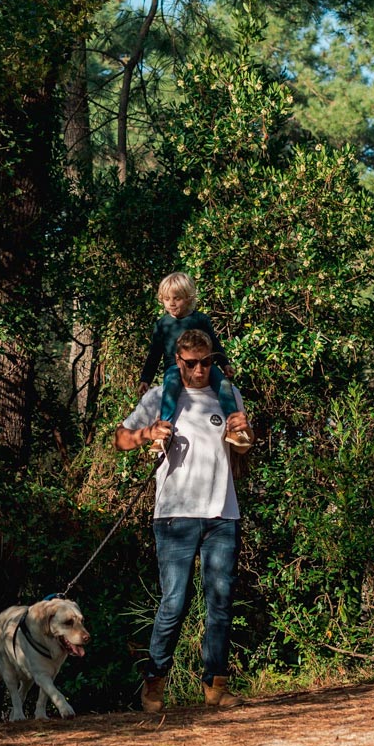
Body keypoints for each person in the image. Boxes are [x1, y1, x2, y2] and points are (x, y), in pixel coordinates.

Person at [115, 327, 252, 710]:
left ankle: (216, 687)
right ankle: (154, 683)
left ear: (212, 360)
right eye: (190, 363)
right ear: (178, 361)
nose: (198, 370)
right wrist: (147, 433)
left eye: (205, 362)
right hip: (174, 516)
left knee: (220, 602)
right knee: (174, 601)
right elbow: (119, 438)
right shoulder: (160, 397)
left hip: (222, 514)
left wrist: (244, 431)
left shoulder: (227, 395)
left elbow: (242, 445)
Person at [139, 272, 251, 457]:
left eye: (177, 298)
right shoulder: (162, 324)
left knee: (224, 385)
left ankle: (233, 428)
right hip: (175, 367)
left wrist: (225, 364)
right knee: (171, 387)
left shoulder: (200, 320)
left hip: (204, 364)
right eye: (167, 299)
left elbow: (214, 343)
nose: (171, 303)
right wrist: (145, 378)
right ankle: (163, 434)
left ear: (188, 298)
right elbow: (154, 354)